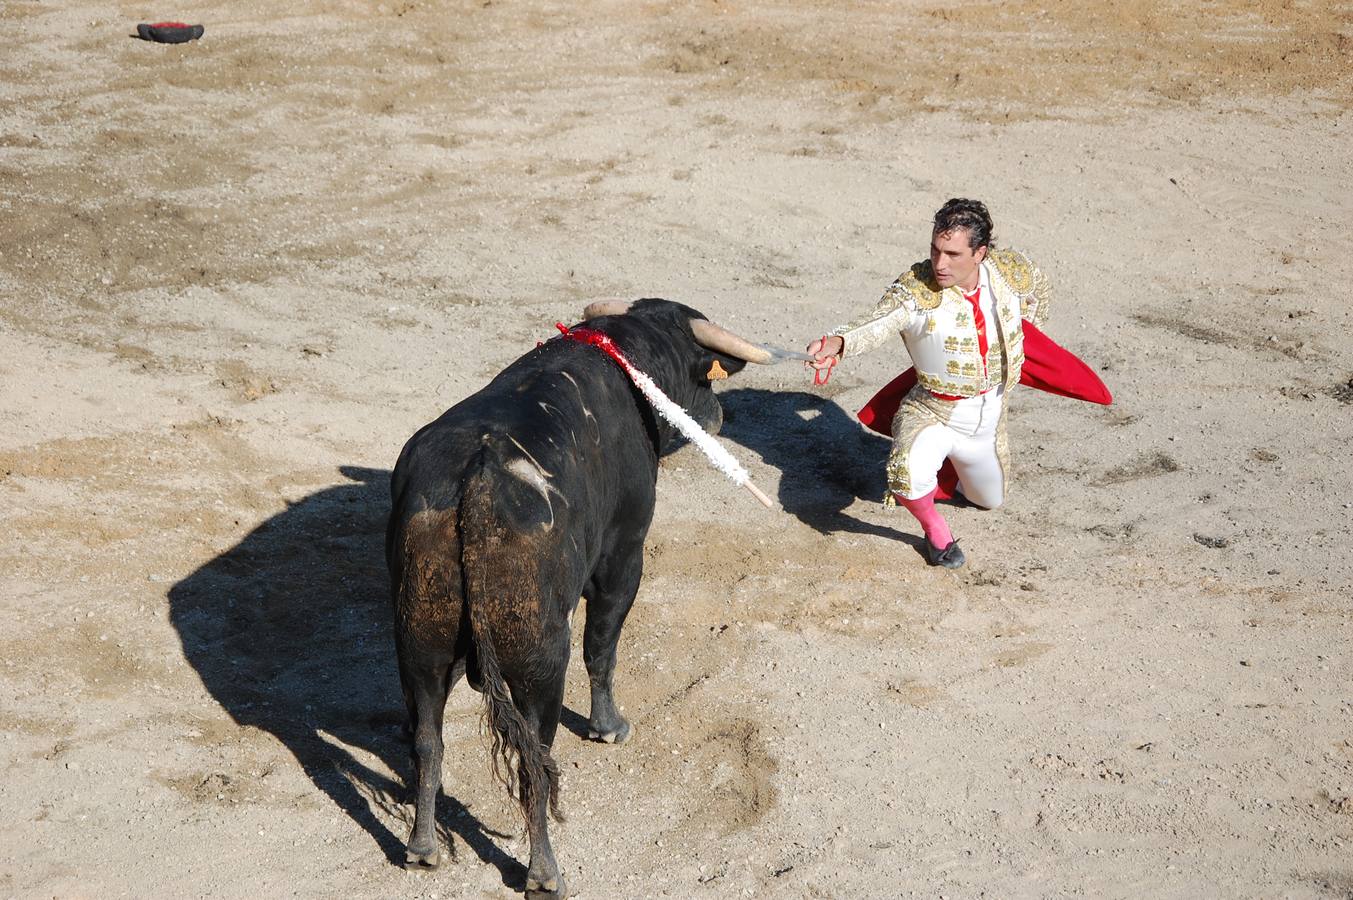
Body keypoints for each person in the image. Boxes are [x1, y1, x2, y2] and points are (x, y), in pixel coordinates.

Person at [806, 198, 1053, 569]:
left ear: (980, 253)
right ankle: (936, 531)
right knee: (906, 476)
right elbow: (877, 322)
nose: (940, 264)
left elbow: (1038, 291)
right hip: (932, 411)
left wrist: (1023, 336)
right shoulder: (917, 290)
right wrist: (839, 343)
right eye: (935, 250)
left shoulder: (1010, 273)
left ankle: (952, 475)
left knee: (989, 500)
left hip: (989, 419)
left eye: (953, 254)